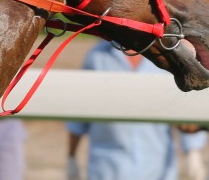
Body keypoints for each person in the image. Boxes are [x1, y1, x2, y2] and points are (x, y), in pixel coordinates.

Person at [66, 39, 207, 180]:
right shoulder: (97, 56)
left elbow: (180, 106)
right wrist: (72, 156)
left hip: (157, 166)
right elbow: (80, 112)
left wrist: (193, 151)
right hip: (107, 168)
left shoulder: (166, 56)